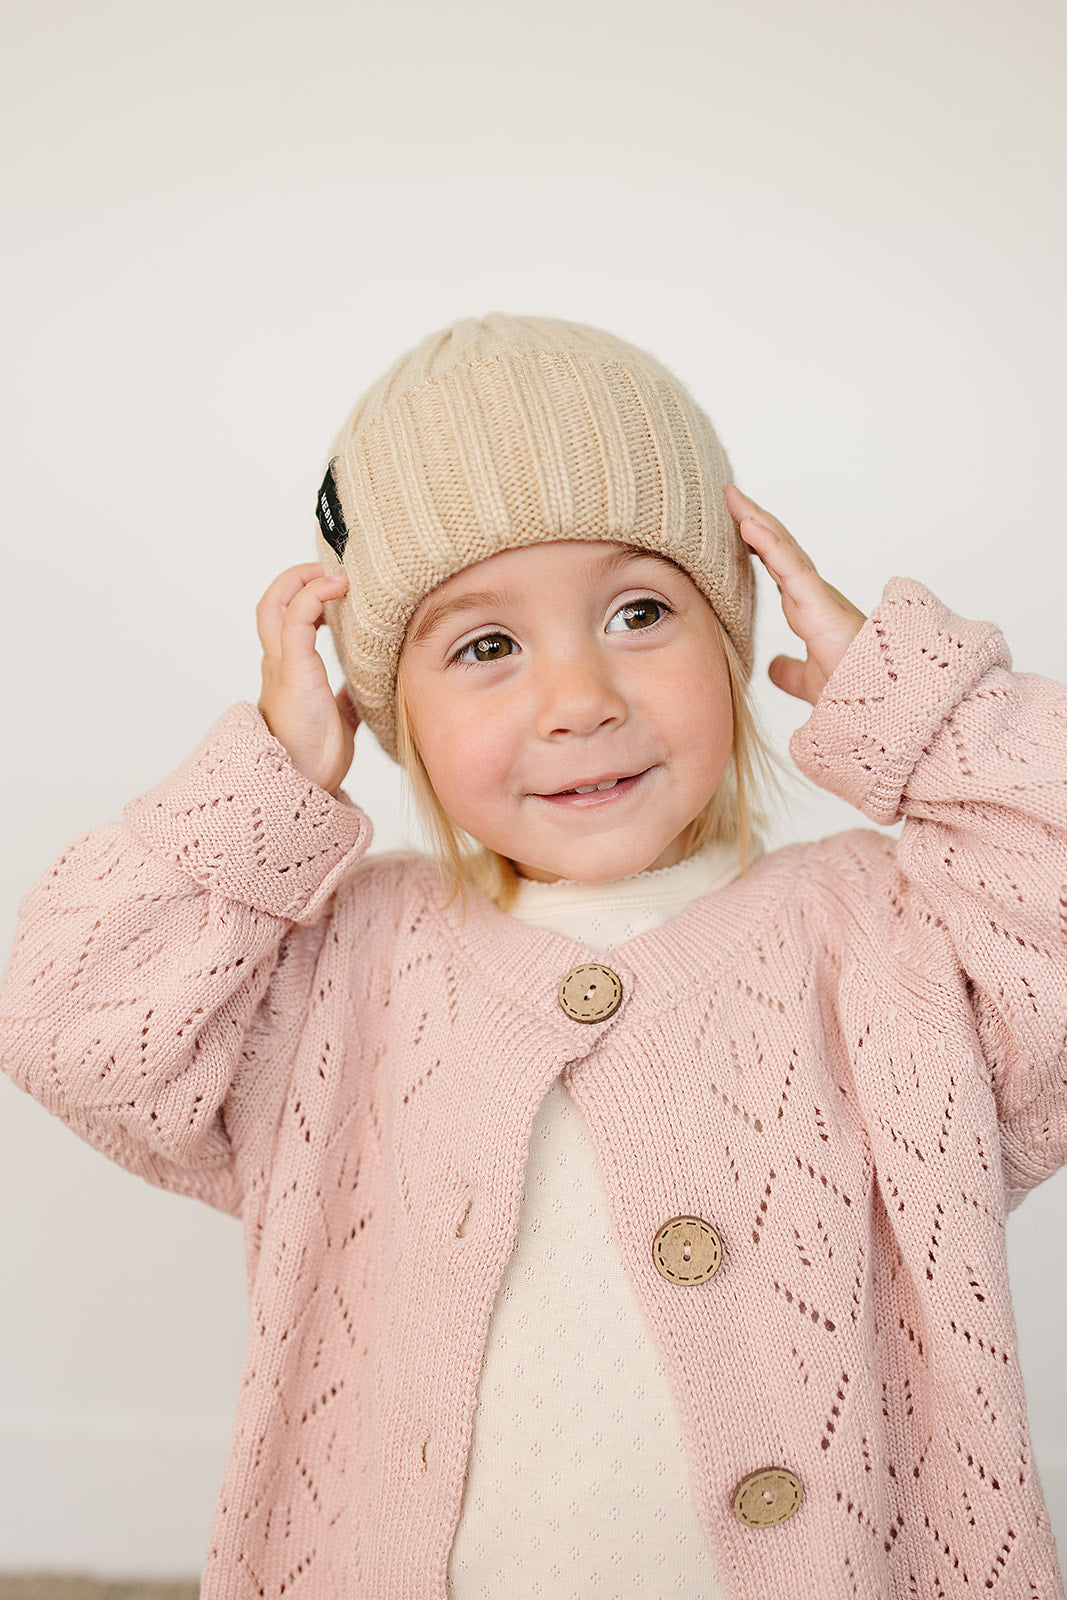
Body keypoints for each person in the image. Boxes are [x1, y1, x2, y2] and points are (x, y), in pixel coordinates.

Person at [2, 313, 1065, 1600]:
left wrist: (923, 710)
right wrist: (266, 788)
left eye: (638, 610)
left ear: (732, 642)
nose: (580, 699)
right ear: (391, 709)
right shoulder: (340, 964)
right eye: (485, 646)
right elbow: (69, 1014)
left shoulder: (885, 943)